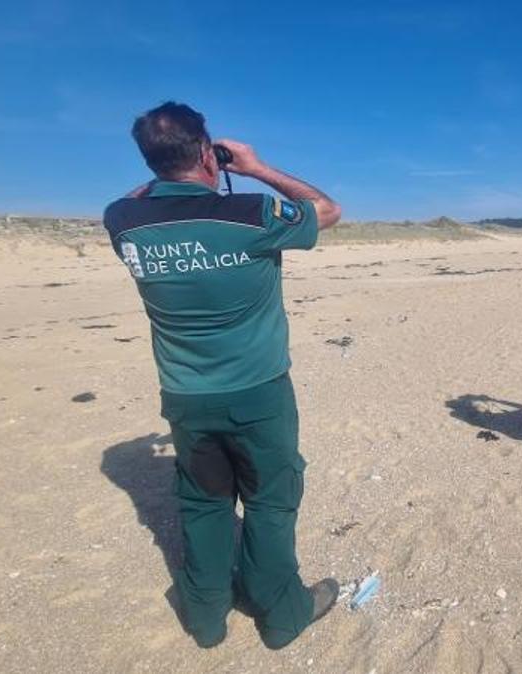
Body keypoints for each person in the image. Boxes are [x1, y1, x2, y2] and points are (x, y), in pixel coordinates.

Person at [102, 102, 343, 649]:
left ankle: (206, 614)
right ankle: (281, 611)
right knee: (271, 499)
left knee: (204, 502)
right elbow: (326, 209)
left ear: (150, 160)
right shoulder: (249, 214)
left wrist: (169, 166)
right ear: (208, 153)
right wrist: (254, 167)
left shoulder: (123, 221)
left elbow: (135, 199)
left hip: (186, 396)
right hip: (258, 393)